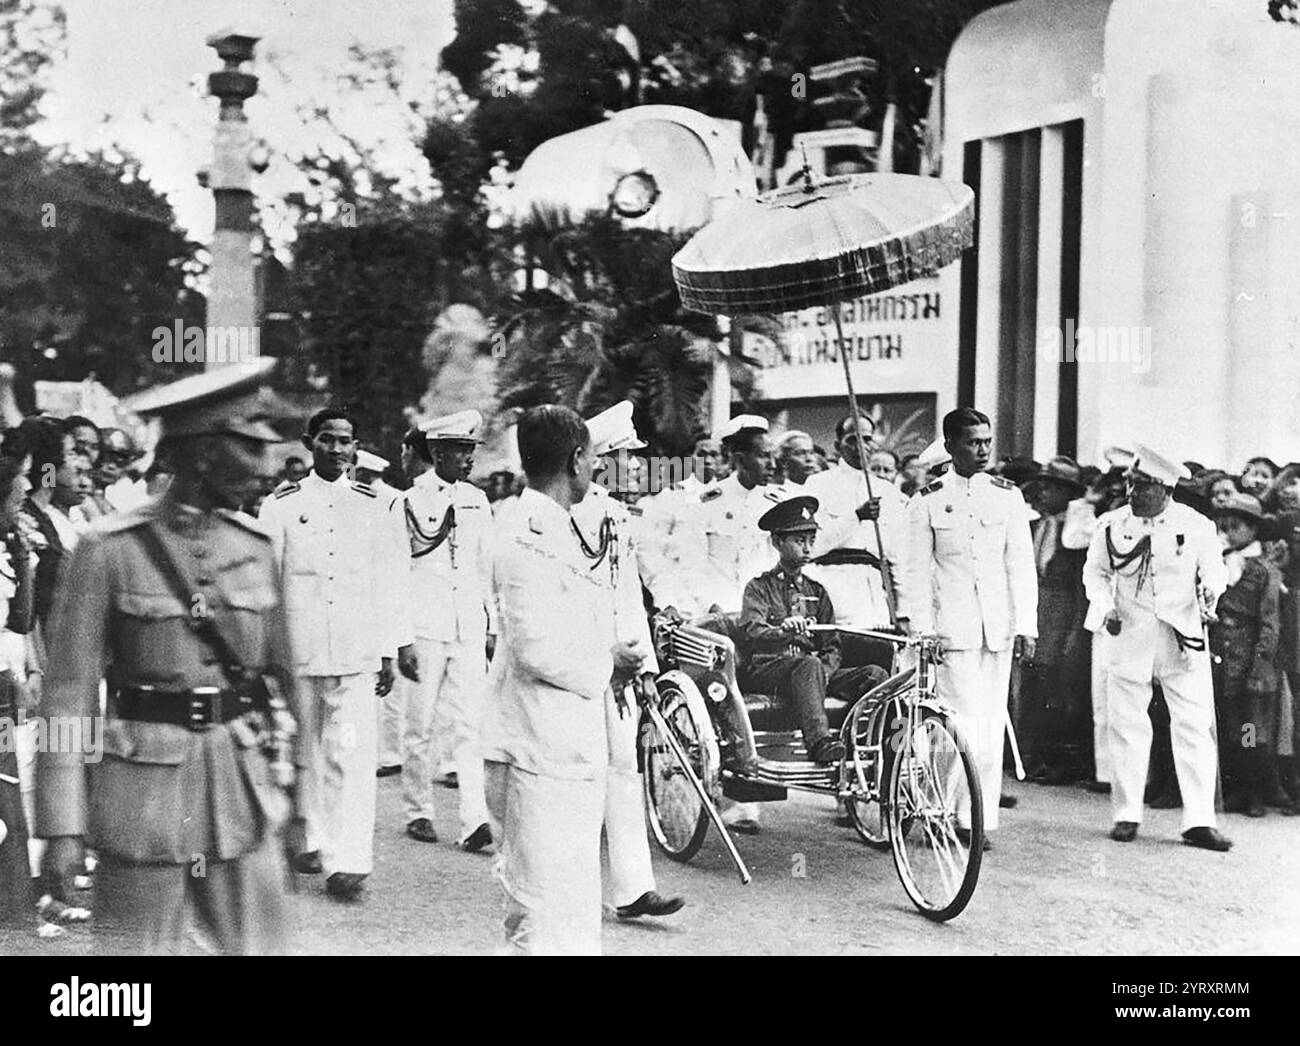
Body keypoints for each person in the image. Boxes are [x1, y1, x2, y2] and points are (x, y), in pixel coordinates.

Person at [35, 359, 298, 953]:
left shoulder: (255, 549)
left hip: (240, 787)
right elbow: (69, 693)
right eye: (249, 445)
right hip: (141, 799)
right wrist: (63, 824)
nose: (267, 462)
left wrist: (305, 791)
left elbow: (290, 676)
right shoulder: (107, 551)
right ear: (205, 453)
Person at [257, 406, 415, 901]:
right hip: (299, 650)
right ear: (309, 443)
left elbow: (389, 581)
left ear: (355, 447)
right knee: (305, 751)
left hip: (355, 649)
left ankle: (349, 860)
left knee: (350, 751)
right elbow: (269, 584)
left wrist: (389, 649)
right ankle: (309, 839)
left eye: (345, 441)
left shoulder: (373, 505)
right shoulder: (280, 505)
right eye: (326, 439)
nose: (337, 449)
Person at [482, 404, 621, 954]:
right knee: (539, 913)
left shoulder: (557, 525)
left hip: (563, 746)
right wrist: (612, 662)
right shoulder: (526, 531)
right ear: (576, 459)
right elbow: (537, 647)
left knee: (572, 905)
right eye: (590, 455)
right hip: (535, 747)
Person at [899, 407, 1038, 847]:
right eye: (973, 442)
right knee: (956, 726)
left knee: (989, 725)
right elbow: (917, 572)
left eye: (986, 441)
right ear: (951, 444)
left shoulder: (1007, 496)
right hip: (949, 632)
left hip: (995, 629)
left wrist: (1026, 625)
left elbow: (1020, 565)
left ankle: (976, 819)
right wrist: (923, 630)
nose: (982, 450)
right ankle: (937, 807)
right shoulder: (928, 501)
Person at [1082, 443, 1232, 850]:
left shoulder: (1196, 525)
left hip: (1180, 636)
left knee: (1194, 726)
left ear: (1165, 488)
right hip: (1129, 634)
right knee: (1126, 724)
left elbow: (1215, 571)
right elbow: (1094, 574)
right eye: (1131, 482)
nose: (1132, 491)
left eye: (1142, 484)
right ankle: (1127, 812)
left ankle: (1199, 819)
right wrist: (1105, 604)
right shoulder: (1112, 525)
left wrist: (1209, 592)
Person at [575, 402, 684, 920]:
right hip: (575, 665)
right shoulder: (573, 514)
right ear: (603, 459)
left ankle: (633, 889)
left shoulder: (619, 516)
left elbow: (627, 599)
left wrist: (643, 669)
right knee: (576, 774)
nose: (639, 467)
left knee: (623, 769)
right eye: (629, 458)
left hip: (620, 666)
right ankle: (566, 887)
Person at [398, 409, 495, 853]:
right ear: (437, 452)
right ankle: (418, 809)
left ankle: (475, 819)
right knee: (418, 723)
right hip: (424, 625)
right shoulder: (408, 502)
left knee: (469, 724)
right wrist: (400, 638)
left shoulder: (478, 500)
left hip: (467, 626)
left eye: (471, 449)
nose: (468, 458)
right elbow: (395, 574)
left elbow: (485, 568)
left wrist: (491, 624)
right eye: (460, 449)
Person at [740, 495, 885, 765]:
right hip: (769, 669)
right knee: (808, 665)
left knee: (875, 675)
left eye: (810, 541)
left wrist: (826, 672)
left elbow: (832, 645)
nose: (807, 548)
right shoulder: (758, 588)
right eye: (798, 541)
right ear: (777, 542)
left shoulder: (817, 591)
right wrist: (782, 632)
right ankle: (820, 743)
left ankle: (865, 748)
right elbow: (752, 632)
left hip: (812, 673)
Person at [1209, 493, 1282, 817]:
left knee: (1251, 732)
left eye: (1236, 526)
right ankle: (1237, 788)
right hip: (1224, 659)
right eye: (1223, 525)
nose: (1228, 532)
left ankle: (1254, 792)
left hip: (1250, 661)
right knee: (1231, 727)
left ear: (1253, 529)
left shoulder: (1263, 570)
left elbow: (1268, 623)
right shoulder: (1220, 562)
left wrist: (1258, 663)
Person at [1020, 459, 1091, 784]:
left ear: (1069, 493)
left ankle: (1061, 761)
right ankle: (1033, 758)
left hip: (1062, 621)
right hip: (1037, 616)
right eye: (1043, 485)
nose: (1044, 492)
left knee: (1060, 694)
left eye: (1052, 486)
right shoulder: (1038, 527)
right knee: (1034, 690)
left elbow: (1081, 590)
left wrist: (1074, 633)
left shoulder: (1077, 535)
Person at [803, 413, 908, 632]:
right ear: (838, 446)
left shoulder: (888, 492)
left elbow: (899, 558)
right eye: (853, 439)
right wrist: (856, 517)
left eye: (868, 439)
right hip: (833, 590)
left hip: (875, 598)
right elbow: (811, 547)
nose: (861, 445)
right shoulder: (818, 485)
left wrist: (903, 612)